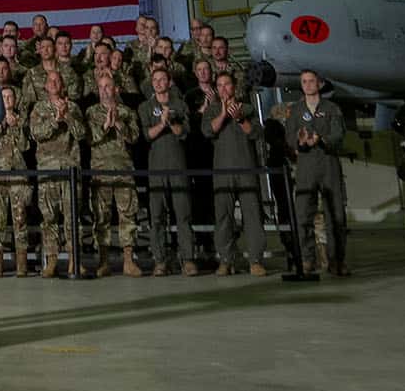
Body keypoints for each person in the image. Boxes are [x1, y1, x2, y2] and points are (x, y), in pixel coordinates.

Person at [280, 70, 348, 276]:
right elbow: (289, 136)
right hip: (306, 165)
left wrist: (321, 139)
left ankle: (336, 261)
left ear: (319, 84)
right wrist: (299, 141)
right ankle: (307, 259)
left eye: (311, 81)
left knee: (335, 214)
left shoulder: (331, 108)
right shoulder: (295, 110)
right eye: (304, 82)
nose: (308, 85)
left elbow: (339, 134)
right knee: (303, 214)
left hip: (328, 162)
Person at [82, 70, 142, 278]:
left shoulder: (127, 112)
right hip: (101, 172)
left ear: (116, 89)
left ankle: (128, 261)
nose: (104, 90)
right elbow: (88, 138)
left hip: (124, 170)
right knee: (101, 217)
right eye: (101, 87)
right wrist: (105, 126)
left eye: (108, 86)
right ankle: (103, 261)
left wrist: (118, 124)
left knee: (128, 215)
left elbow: (134, 137)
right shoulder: (91, 112)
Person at [207, 70, 267, 276]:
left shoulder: (247, 108)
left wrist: (241, 119)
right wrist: (223, 114)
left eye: (227, 84)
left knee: (253, 216)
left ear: (234, 86)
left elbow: (257, 133)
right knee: (223, 218)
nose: (224, 89)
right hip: (222, 172)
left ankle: (256, 260)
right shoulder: (212, 110)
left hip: (246, 170)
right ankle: (226, 260)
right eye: (220, 85)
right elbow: (208, 130)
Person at [28, 68, 83, 278]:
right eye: (50, 81)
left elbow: (81, 133)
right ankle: (51, 260)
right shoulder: (39, 109)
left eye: (57, 80)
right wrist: (55, 120)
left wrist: (66, 116)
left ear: (63, 85)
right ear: (45, 86)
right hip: (47, 169)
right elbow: (36, 134)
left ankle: (74, 260)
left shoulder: (73, 107)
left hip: (70, 168)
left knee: (72, 216)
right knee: (49, 217)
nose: (54, 84)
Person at [142, 67, 196, 277]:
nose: (158, 83)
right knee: (156, 215)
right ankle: (160, 260)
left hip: (177, 164)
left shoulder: (180, 105)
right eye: (155, 80)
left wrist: (171, 121)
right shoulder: (146, 107)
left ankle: (188, 259)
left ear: (168, 81)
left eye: (162, 79)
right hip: (156, 166)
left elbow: (183, 133)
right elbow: (147, 135)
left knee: (183, 214)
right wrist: (161, 123)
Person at [0, 86, 32, 277]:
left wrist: (16, 127)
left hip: (18, 174)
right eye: (3, 97)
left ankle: (22, 263)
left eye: (10, 96)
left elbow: (25, 146)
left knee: (20, 218)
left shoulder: (22, 120)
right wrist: (2, 125)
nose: (7, 99)